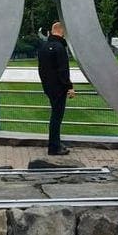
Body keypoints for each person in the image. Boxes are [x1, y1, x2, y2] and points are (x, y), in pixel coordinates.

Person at [37, 21, 75, 155]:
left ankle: (55, 143)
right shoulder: (60, 48)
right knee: (57, 117)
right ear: (62, 31)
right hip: (58, 88)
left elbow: (41, 69)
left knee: (55, 116)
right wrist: (69, 87)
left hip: (48, 86)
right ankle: (54, 147)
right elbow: (63, 70)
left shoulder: (43, 47)